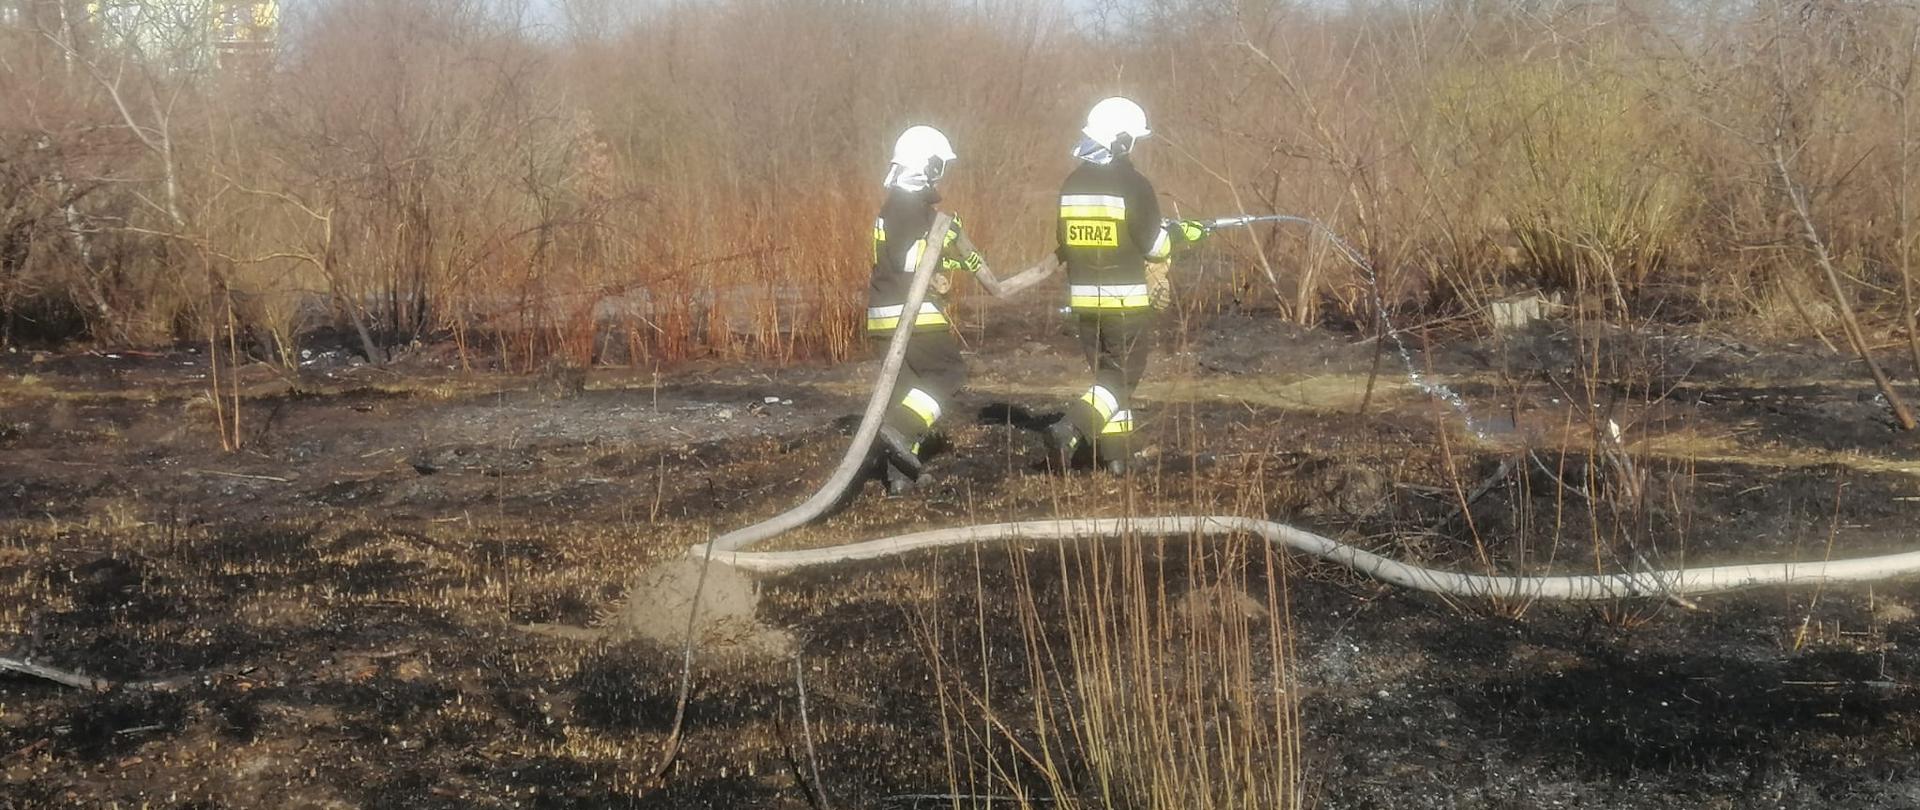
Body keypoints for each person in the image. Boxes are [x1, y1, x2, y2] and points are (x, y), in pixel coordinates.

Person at [867, 125, 1059, 494]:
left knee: (905, 392)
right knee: (947, 372)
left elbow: (905, 258)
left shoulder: (890, 207)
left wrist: (943, 264)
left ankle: (898, 478)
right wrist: (949, 237)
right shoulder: (919, 213)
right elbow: (911, 261)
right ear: (928, 166)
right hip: (913, 314)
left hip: (880, 314)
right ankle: (901, 430)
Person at [1042, 97, 1205, 474]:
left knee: (1107, 378)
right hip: (1125, 302)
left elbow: (1065, 242)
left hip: (1083, 302)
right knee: (1123, 376)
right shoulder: (1134, 184)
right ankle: (1071, 428)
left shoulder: (1071, 184)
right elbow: (1154, 247)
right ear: (1121, 142)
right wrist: (1181, 236)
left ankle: (1117, 458)